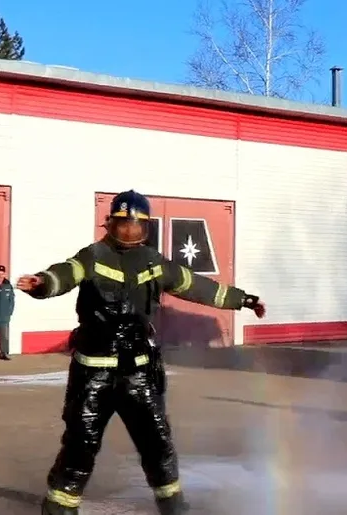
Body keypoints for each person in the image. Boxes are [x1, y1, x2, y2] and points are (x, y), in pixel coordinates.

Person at [18, 190, 266, 515]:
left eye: (137, 226)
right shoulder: (93, 256)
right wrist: (41, 284)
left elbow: (197, 286)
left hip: (139, 373)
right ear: (110, 223)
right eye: (124, 225)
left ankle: (173, 507)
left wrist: (243, 300)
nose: (130, 231)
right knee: (80, 445)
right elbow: (66, 273)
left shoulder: (153, 262)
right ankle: (59, 509)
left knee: (158, 445)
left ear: (145, 228)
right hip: (93, 374)